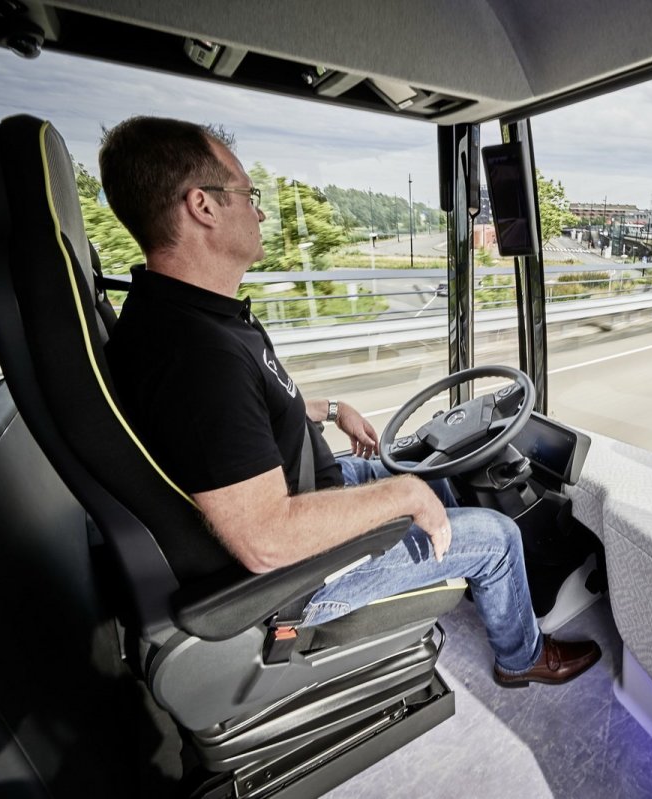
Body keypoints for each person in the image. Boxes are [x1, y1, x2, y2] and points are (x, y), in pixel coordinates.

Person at [100, 116, 599, 687]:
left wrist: (329, 410)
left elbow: (231, 422)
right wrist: (402, 495)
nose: (260, 212)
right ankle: (521, 658)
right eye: (247, 194)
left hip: (309, 484)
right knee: (496, 535)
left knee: (425, 469)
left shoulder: (181, 314)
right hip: (305, 574)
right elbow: (266, 540)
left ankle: (453, 560)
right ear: (202, 207)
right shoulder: (195, 356)